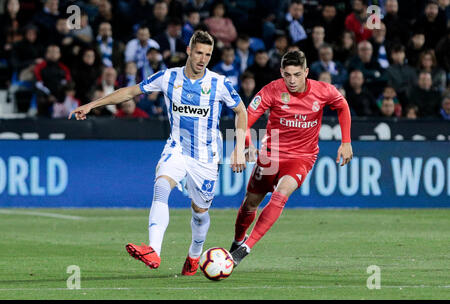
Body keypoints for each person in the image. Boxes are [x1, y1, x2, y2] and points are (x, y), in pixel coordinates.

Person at [68, 31, 247, 275]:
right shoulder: (168, 77)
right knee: (161, 185)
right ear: (188, 51)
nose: (202, 59)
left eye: (207, 54)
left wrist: (238, 147)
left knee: (200, 212)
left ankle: (195, 255)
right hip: (177, 147)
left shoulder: (219, 83)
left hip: (206, 156)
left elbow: (241, 111)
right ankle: (154, 250)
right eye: (198, 53)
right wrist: (92, 104)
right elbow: (130, 92)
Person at [228, 50, 353, 266]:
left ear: (306, 72)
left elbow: (342, 106)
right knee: (250, 203)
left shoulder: (323, 91)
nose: (292, 80)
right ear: (281, 73)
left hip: (302, 157)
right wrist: (245, 146)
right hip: (270, 155)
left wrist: (346, 141)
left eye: (297, 75)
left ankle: (245, 249)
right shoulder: (271, 90)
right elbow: (245, 119)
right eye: (287, 75)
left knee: (281, 194)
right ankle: (237, 242)